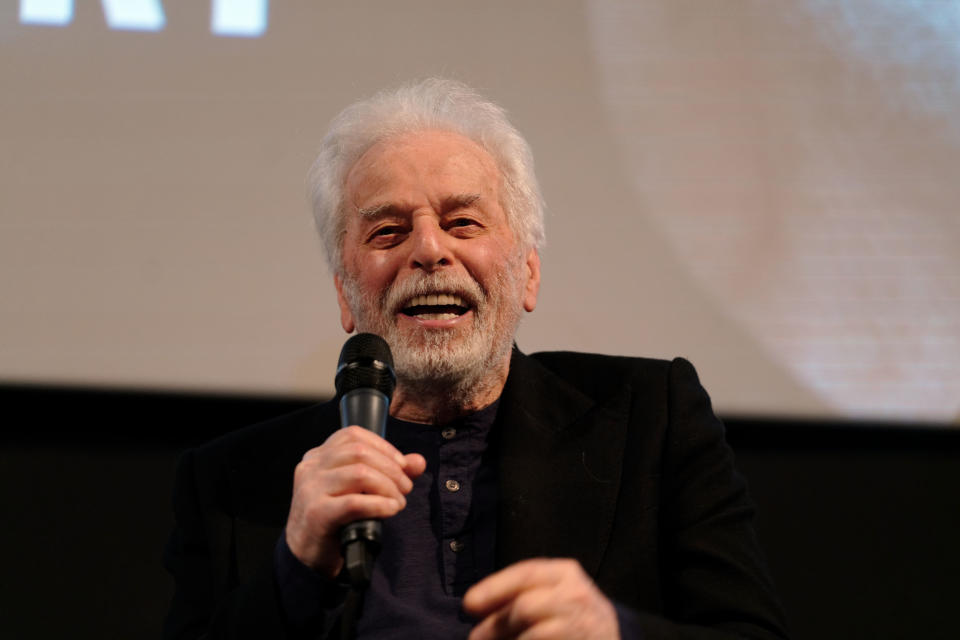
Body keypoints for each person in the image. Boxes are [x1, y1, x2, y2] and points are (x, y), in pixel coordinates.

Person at [163, 78, 789, 639]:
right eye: (387, 232)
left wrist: (615, 632)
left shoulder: (652, 420)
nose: (430, 249)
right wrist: (293, 569)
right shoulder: (233, 479)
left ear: (528, 275)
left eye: (463, 223)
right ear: (345, 294)